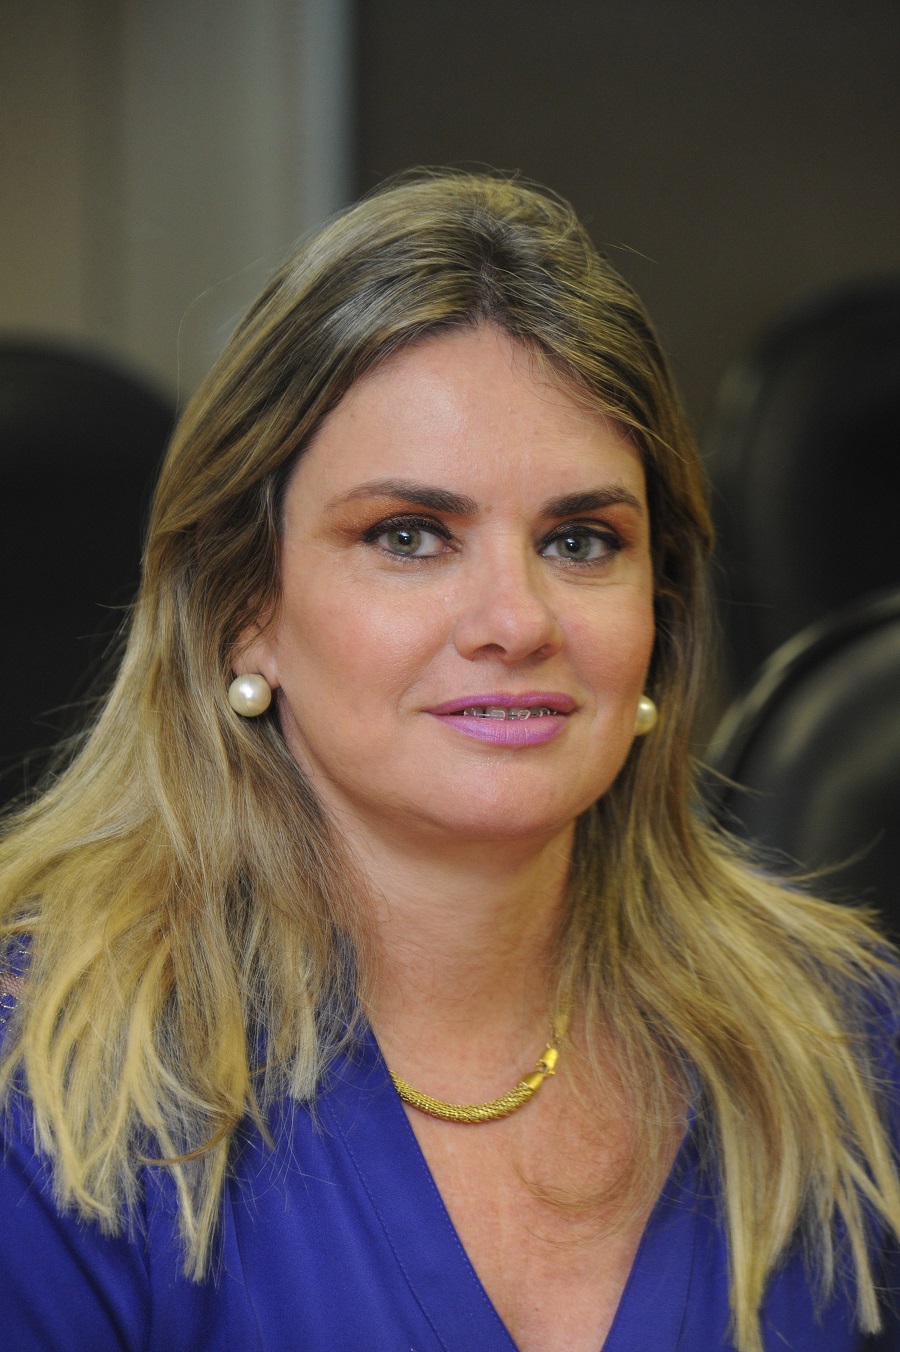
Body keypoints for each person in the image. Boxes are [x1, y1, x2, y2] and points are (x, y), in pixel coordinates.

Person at [1, 172, 898, 1352]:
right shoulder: (39, 1089)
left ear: (662, 610)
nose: (516, 620)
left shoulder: (845, 1039)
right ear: (243, 606)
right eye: (410, 535)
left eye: (581, 540)